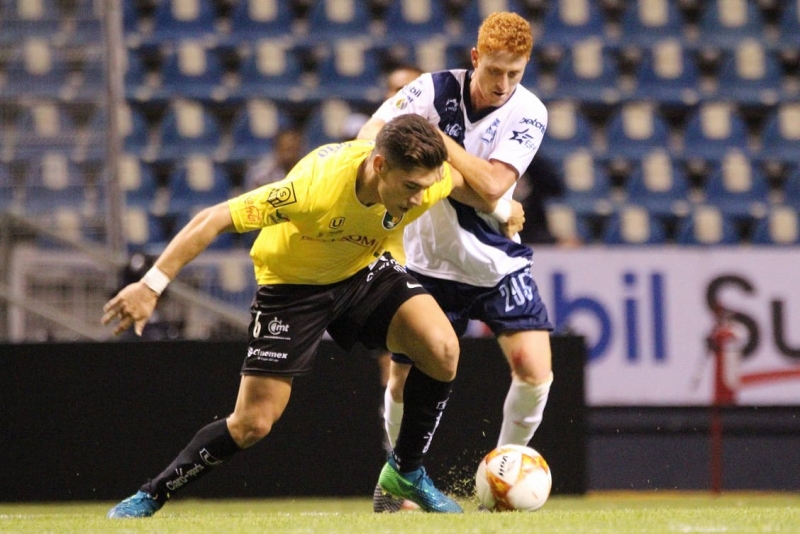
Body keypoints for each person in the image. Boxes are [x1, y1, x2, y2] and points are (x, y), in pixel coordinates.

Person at [101, 114, 523, 518]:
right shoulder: (313, 189)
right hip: (292, 288)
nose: (419, 198)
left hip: (362, 270)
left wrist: (502, 209)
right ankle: (152, 493)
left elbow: (458, 185)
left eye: (425, 187)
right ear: (379, 166)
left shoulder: (428, 181)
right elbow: (212, 219)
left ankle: (406, 472)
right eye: (410, 186)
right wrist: (150, 286)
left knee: (443, 348)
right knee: (253, 424)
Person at [358, 12, 555, 513]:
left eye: (515, 73)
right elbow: (369, 136)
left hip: (496, 262)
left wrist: (433, 142)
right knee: (401, 380)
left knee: (535, 372)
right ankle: (398, 480)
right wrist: (481, 192)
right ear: (475, 58)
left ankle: (501, 482)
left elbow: (492, 185)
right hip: (429, 263)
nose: (503, 83)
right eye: (495, 70)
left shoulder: (530, 111)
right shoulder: (431, 88)